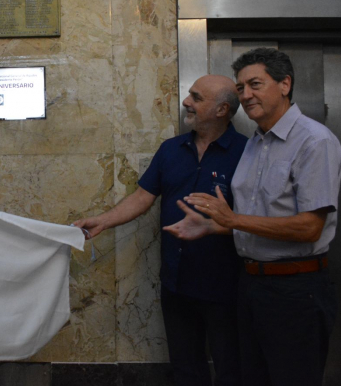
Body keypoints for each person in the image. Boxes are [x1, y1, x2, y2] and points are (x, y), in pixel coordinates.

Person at [165, 48, 341, 386]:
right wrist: (213, 227)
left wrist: (232, 220)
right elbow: (259, 219)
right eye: (241, 87)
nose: (246, 95)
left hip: (294, 289)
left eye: (255, 84)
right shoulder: (254, 144)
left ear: (285, 84)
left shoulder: (314, 141)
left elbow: (310, 227)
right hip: (249, 285)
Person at [74, 75, 246, 386]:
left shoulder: (247, 152)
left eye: (196, 97)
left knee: (231, 369)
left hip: (226, 286)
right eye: (189, 95)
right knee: (185, 369)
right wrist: (103, 220)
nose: (186, 102)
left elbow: (257, 218)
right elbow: (143, 196)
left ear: (222, 110)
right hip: (177, 283)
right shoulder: (171, 150)